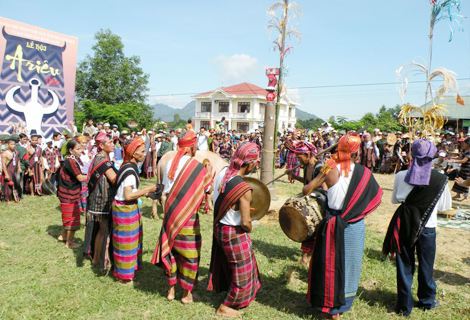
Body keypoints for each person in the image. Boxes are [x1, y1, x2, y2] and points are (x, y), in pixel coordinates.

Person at [304, 134, 383, 319]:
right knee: (349, 266)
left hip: (332, 223)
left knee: (330, 265)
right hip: (354, 225)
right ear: (358, 152)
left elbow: (307, 190)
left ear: (338, 148)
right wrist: (354, 212)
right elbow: (376, 198)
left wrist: (316, 170)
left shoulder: (330, 168)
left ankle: (329, 308)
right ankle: (341, 307)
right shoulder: (364, 173)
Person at [383, 139, 452, 316]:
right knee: (426, 266)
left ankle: (404, 306)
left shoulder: (400, 176)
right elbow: (444, 207)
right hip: (428, 228)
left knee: (404, 265)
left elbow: (395, 200)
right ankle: (427, 300)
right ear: (434, 155)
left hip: (405, 225)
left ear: (412, 154)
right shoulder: (440, 179)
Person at [152, 130, 214, 303]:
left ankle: (171, 291)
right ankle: (187, 295)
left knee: (171, 251)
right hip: (188, 217)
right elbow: (208, 190)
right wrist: (208, 171)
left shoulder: (170, 162)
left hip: (171, 215)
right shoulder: (196, 167)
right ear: (191, 146)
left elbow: (165, 190)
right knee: (189, 255)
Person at [207, 142, 261, 318]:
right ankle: (227, 305)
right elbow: (245, 222)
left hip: (220, 228)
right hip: (233, 232)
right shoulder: (244, 189)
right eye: (256, 162)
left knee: (234, 266)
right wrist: (251, 227)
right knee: (242, 272)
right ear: (250, 164)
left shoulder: (223, 174)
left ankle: (229, 294)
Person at [111, 138, 157, 284]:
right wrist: (148, 189)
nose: (145, 154)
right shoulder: (130, 171)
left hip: (124, 209)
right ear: (133, 153)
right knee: (126, 244)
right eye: (142, 151)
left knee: (126, 242)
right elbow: (128, 195)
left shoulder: (127, 166)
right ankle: (125, 278)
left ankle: (125, 273)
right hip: (125, 209)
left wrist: (145, 193)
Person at [83, 133, 117, 269]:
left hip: (95, 198)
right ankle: (97, 258)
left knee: (99, 231)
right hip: (101, 200)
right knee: (103, 231)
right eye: (110, 142)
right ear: (102, 146)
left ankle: (96, 257)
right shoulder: (103, 161)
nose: (113, 144)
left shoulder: (98, 158)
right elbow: (115, 179)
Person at [57, 140, 87, 249]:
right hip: (69, 194)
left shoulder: (71, 160)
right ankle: (69, 243)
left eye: (81, 148)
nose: (81, 151)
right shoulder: (71, 162)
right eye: (78, 149)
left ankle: (63, 236)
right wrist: (94, 174)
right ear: (70, 150)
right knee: (71, 218)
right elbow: (79, 177)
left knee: (67, 216)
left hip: (66, 193)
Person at [2, 137, 21, 202]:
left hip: (14, 170)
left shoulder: (16, 153)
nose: (13, 146)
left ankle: (15, 197)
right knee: (8, 185)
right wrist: (6, 174)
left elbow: (18, 160)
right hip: (8, 170)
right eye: (11, 144)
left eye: (14, 144)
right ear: (8, 145)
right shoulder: (5, 153)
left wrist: (19, 168)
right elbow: (3, 165)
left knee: (15, 183)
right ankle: (7, 198)